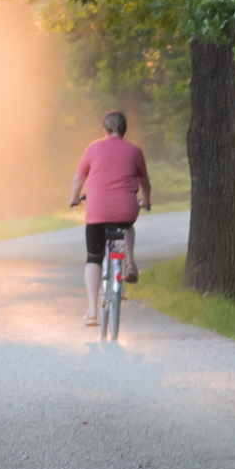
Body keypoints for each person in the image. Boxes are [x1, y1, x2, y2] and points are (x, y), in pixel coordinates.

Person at [68, 110, 151, 327]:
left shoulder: (93, 148)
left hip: (97, 212)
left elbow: (78, 180)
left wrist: (74, 199)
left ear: (104, 130)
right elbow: (145, 183)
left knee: (94, 257)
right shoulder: (135, 151)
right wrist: (147, 201)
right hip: (126, 211)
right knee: (127, 227)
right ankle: (130, 263)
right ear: (125, 130)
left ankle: (92, 311)